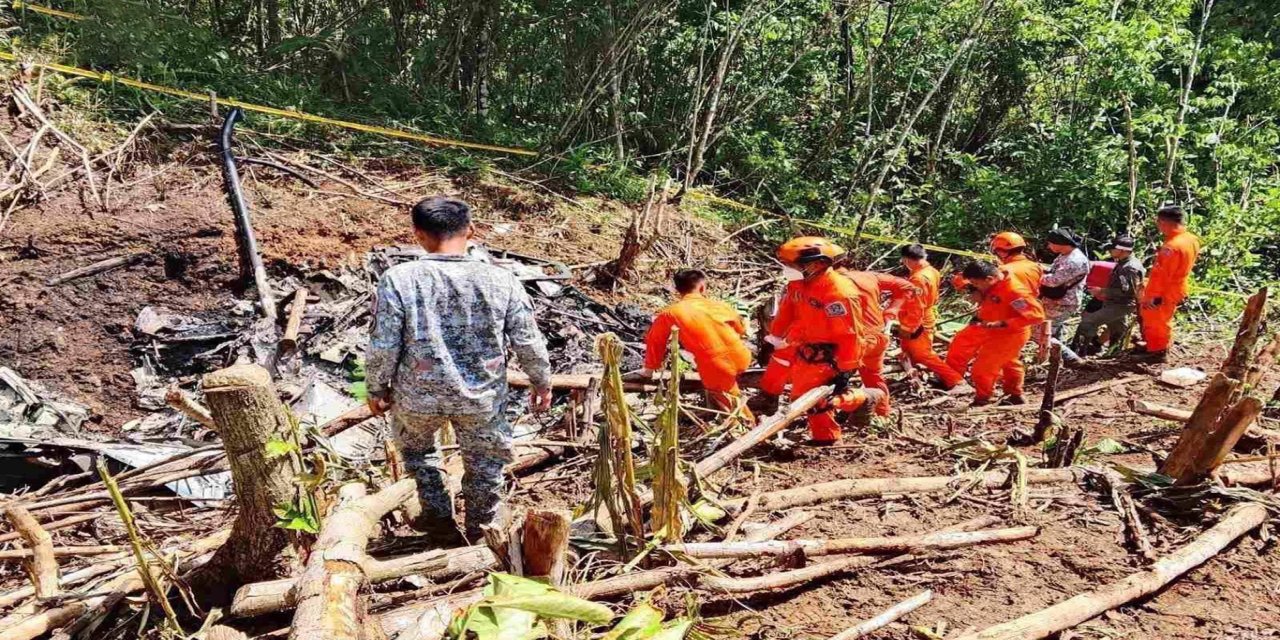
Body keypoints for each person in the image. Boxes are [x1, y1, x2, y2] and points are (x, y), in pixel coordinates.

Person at [366, 196, 552, 543]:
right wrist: (541, 382)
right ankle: (482, 530)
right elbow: (527, 339)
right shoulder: (501, 279)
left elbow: (384, 343)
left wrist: (376, 388)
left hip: (417, 396)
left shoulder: (398, 279)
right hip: (481, 398)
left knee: (419, 455)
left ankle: (438, 521)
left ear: (418, 234)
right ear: (471, 230)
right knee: (485, 463)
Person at [758, 237, 884, 443]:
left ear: (818, 264)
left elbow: (850, 335)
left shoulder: (839, 294)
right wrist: (774, 339)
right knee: (801, 397)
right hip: (805, 347)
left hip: (830, 353)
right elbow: (787, 311)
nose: (788, 269)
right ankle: (856, 403)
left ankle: (830, 435)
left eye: (793, 265)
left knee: (816, 401)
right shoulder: (799, 284)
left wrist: (845, 369)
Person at [641, 269, 754, 423]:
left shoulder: (670, 313)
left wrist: (649, 369)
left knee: (731, 404)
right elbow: (740, 329)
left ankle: (749, 429)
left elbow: (655, 341)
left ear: (676, 290)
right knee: (723, 387)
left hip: (717, 365)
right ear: (702, 287)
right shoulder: (719, 305)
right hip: (742, 354)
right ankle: (719, 411)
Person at [945, 261, 1046, 407]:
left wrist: (1003, 323)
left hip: (1009, 334)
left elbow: (1036, 316)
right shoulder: (997, 276)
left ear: (989, 279)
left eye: (976, 284)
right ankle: (1015, 395)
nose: (975, 286)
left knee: (982, 368)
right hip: (991, 327)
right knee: (1009, 363)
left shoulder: (1014, 292)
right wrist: (977, 292)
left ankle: (984, 399)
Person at [838, 264, 918, 415]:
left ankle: (850, 408)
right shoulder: (869, 276)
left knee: (830, 380)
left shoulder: (832, 284)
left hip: (856, 340)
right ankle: (883, 413)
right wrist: (892, 311)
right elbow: (908, 287)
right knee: (874, 377)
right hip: (879, 336)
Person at [1137, 205, 1201, 361]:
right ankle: (1156, 345)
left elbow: (1162, 275)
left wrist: (1153, 296)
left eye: (1159, 222)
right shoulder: (1191, 239)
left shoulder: (1171, 247)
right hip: (1177, 286)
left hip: (1164, 290)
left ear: (1164, 222)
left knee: (1155, 321)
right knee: (1163, 318)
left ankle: (1157, 352)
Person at [896, 244, 964, 389]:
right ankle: (916, 378)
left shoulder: (919, 278)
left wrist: (908, 328)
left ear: (907, 259)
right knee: (908, 352)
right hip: (923, 315)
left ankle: (955, 380)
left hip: (918, 320)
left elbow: (916, 307)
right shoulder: (931, 271)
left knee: (923, 354)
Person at [1073, 234, 1145, 357]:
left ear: (1122, 251)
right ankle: (1114, 353)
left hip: (1121, 304)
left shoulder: (1129, 268)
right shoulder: (1124, 263)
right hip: (1116, 303)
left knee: (1088, 322)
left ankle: (1077, 353)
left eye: (1112, 248)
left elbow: (1128, 292)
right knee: (1117, 329)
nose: (1110, 251)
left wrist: (1102, 291)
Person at [1039, 228, 1091, 365]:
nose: (1049, 246)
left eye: (1050, 243)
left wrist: (1034, 275)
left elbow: (1054, 281)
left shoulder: (1074, 260)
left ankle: (1071, 358)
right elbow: (1053, 271)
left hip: (1063, 302)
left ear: (1060, 243)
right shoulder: (1065, 255)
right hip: (1057, 300)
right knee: (1055, 331)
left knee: (1041, 332)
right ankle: (1057, 360)